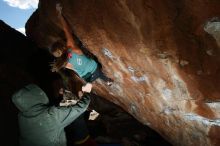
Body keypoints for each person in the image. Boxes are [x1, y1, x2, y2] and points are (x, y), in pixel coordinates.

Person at [50, 3, 113, 86]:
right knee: (93, 64)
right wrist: (59, 14)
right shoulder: (71, 47)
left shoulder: (63, 63)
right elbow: (66, 30)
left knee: (88, 69)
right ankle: (107, 80)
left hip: (87, 78)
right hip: (94, 68)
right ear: (63, 46)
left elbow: (74, 65)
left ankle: (105, 80)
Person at [12, 83, 93, 146]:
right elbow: (81, 107)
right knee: (78, 119)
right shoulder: (50, 117)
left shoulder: (22, 116)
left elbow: (46, 112)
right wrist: (87, 93)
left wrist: (60, 98)